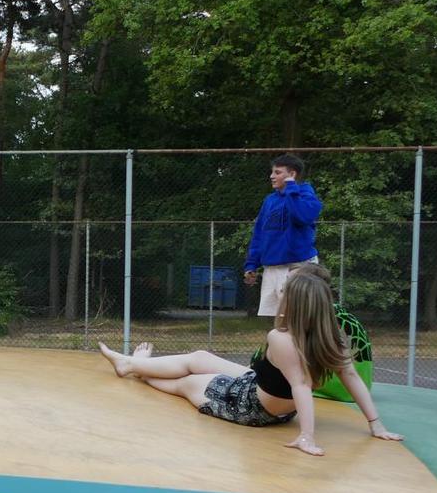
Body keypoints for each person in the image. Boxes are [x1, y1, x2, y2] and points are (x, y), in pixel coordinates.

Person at [99, 271, 402, 456]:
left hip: (251, 406)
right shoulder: (330, 336)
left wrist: (307, 436)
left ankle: (133, 367)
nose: (279, 293)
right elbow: (350, 376)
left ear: (293, 304)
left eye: (283, 291)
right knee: (199, 357)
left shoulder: (281, 338)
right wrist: (375, 424)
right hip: (266, 395)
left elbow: (301, 386)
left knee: (185, 383)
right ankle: (134, 363)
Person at [250, 263, 373, 403]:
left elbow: (260, 363)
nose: (284, 287)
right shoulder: (330, 313)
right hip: (354, 387)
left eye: (290, 281)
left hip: (339, 389)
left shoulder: (319, 319)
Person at [244, 153, 323, 317]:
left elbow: (302, 216)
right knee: (277, 319)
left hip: (298, 266)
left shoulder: (306, 196)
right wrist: (251, 264)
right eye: (272, 172)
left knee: (297, 318)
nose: (271, 176)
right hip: (272, 268)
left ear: (292, 174)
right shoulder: (270, 200)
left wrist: (291, 189)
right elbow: (259, 234)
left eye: (278, 172)